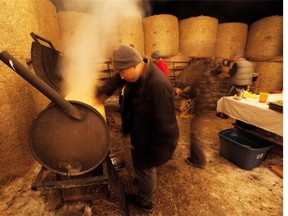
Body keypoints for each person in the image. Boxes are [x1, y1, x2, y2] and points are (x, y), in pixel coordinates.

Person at [96, 44, 179, 213]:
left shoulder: (157, 85)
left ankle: (144, 201)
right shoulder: (136, 71)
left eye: (122, 72)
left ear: (133, 65)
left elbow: (165, 124)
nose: (122, 77)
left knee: (146, 169)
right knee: (141, 166)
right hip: (141, 133)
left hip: (153, 140)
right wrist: (103, 93)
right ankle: (141, 179)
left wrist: (154, 154)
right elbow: (117, 79)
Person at [217, 53, 254, 118]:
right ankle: (239, 115)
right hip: (245, 85)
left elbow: (230, 74)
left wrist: (223, 73)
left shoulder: (237, 64)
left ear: (237, 57)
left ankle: (225, 115)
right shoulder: (249, 63)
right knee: (240, 101)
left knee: (228, 99)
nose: (232, 59)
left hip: (237, 84)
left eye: (233, 57)